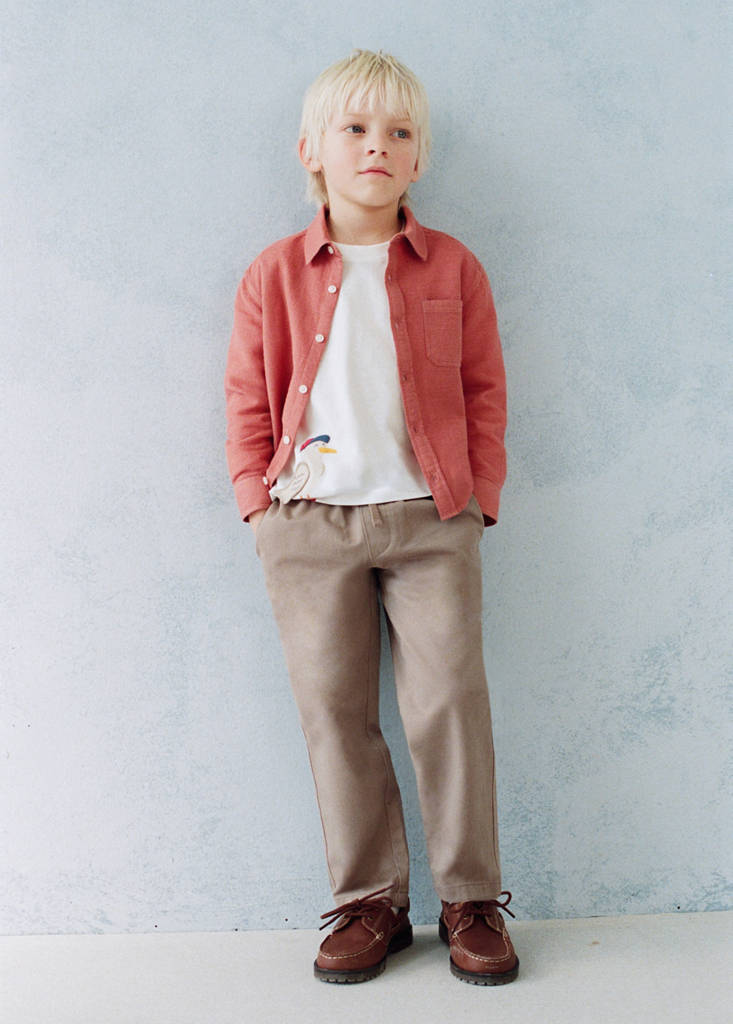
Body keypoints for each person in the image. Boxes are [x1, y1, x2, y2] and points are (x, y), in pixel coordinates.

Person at [225, 49, 518, 986]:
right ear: (311, 149)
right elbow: (246, 397)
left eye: (397, 132)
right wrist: (256, 504)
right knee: (334, 714)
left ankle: (471, 900)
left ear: (419, 156)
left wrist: (477, 501)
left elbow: (483, 390)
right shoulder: (273, 274)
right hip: (307, 524)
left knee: (448, 707)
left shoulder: (452, 267)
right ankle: (370, 904)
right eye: (353, 129)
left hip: (431, 521)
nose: (375, 147)